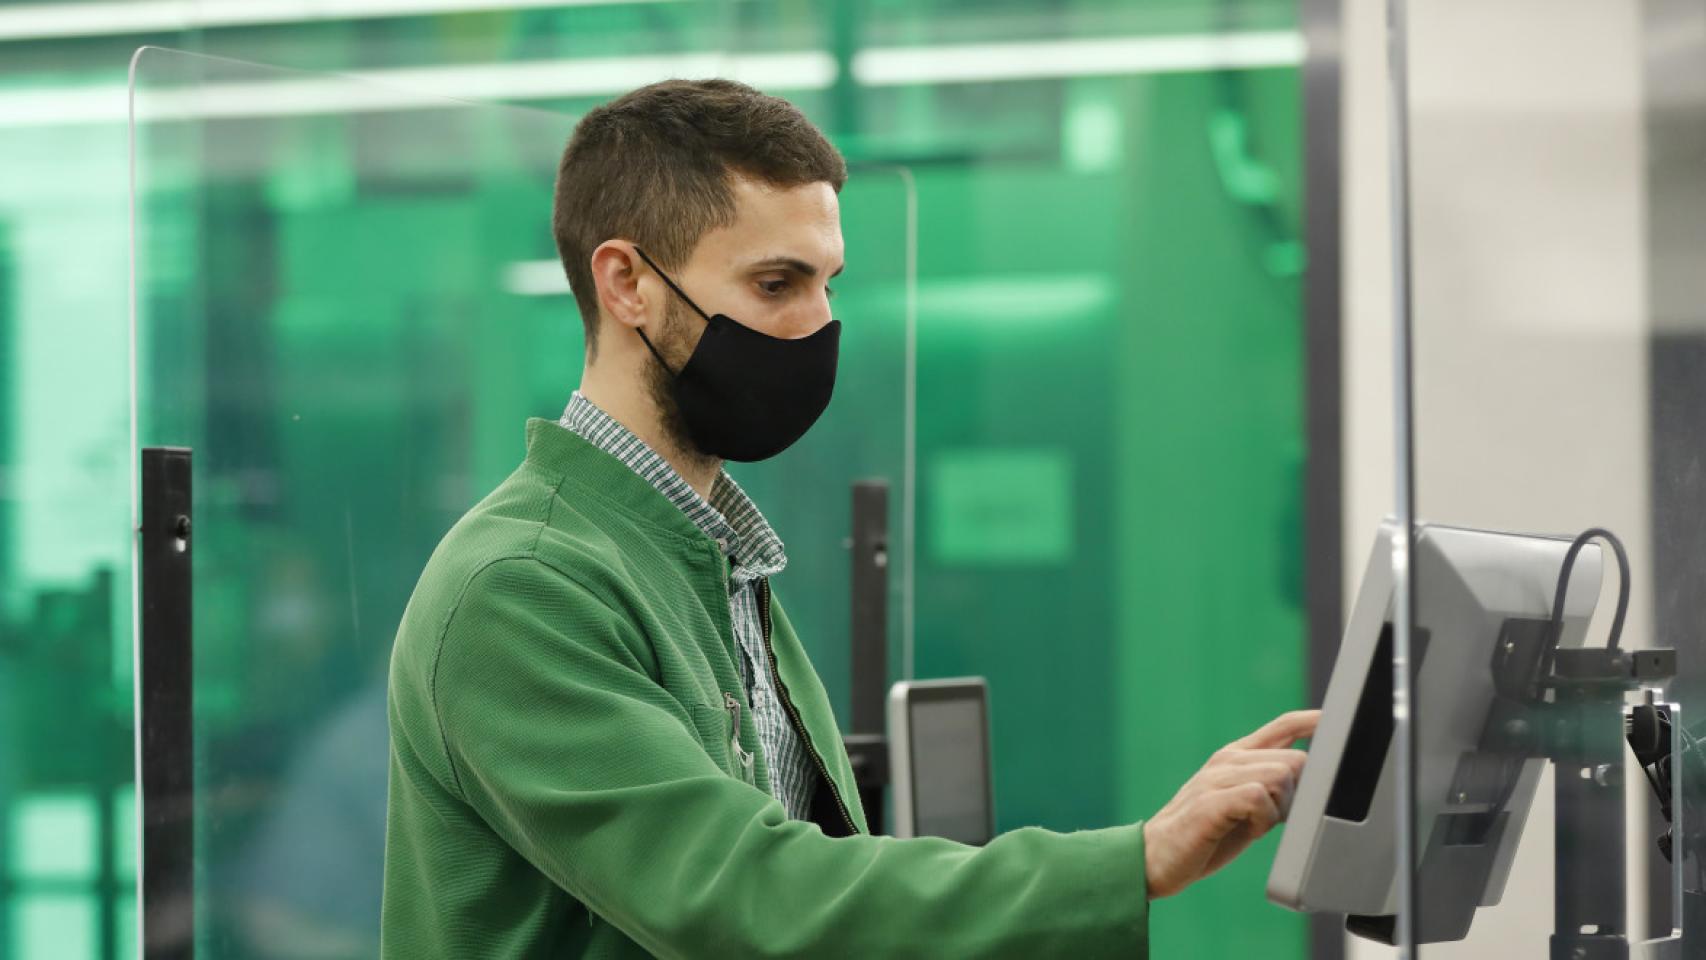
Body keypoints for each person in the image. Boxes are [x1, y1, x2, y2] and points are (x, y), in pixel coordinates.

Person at [380, 77, 1318, 959]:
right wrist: (1131, 862)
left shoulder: (707, 557)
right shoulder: (525, 587)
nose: (819, 326)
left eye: (830, 283)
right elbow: (738, 896)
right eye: (777, 285)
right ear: (627, 283)